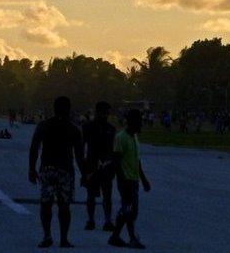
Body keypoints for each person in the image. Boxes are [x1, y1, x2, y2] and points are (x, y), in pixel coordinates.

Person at [28, 96, 85, 248]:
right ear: (69, 109)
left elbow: (34, 148)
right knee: (64, 205)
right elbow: (79, 156)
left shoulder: (44, 126)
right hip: (65, 170)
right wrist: (85, 175)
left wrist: (32, 169)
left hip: (47, 169)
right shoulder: (73, 129)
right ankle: (63, 238)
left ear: (54, 108)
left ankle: (47, 236)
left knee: (46, 204)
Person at [108, 109, 151, 249]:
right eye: (139, 122)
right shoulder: (121, 137)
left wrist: (143, 179)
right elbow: (116, 161)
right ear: (131, 122)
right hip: (126, 181)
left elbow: (137, 161)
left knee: (127, 209)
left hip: (133, 180)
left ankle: (115, 236)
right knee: (130, 210)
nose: (141, 125)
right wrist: (122, 180)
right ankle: (132, 238)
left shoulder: (134, 137)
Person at [82, 101, 117, 232]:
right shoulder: (88, 127)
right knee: (91, 195)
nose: (105, 115)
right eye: (103, 112)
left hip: (106, 166)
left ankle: (107, 220)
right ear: (97, 112)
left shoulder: (111, 129)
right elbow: (81, 147)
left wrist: (112, 165)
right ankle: (91, 220)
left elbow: (114, 149)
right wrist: (84, 167)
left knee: (107, 195)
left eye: (107, 113)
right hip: (91, 165)